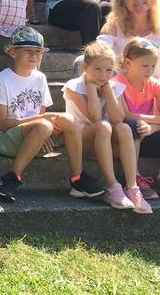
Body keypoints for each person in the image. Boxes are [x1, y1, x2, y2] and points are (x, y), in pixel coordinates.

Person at [0, 27, 103, 202]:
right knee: (44, 124)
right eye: (27, 50)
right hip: (5, 140)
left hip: (36, 136)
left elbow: (40, 115)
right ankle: (12, 178)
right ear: (13, 52)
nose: (34, 55)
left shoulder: (40, 78)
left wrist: (42, 132)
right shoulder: (1, 80)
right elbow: (3, 124)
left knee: (68, 119)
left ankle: (77, 179)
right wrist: (41, 124)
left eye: (38, 51)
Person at [62, 41, 150, 212]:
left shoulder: (114, 87)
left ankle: (132, 187)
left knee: (124, 128)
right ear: (85, 67)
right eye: (97, 69)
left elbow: (118, 119)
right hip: (81, 142)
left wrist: (108, 90)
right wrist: (91, 88)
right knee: (103, 126)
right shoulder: (74, 87)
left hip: (106, 142)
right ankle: (113, 186)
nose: (103, 75)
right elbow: (94, 117)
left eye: (109, 70)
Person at [118, 38, 160, 201]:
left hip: (147, 135)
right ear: (128, 63)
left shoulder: (154, 84)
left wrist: (153, 128)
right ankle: (134, 176)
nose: (149, 70)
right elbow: (125, 114)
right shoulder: (117, 83)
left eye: (153, 66)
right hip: (126, 139)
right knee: (132, 124)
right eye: (144, 65)